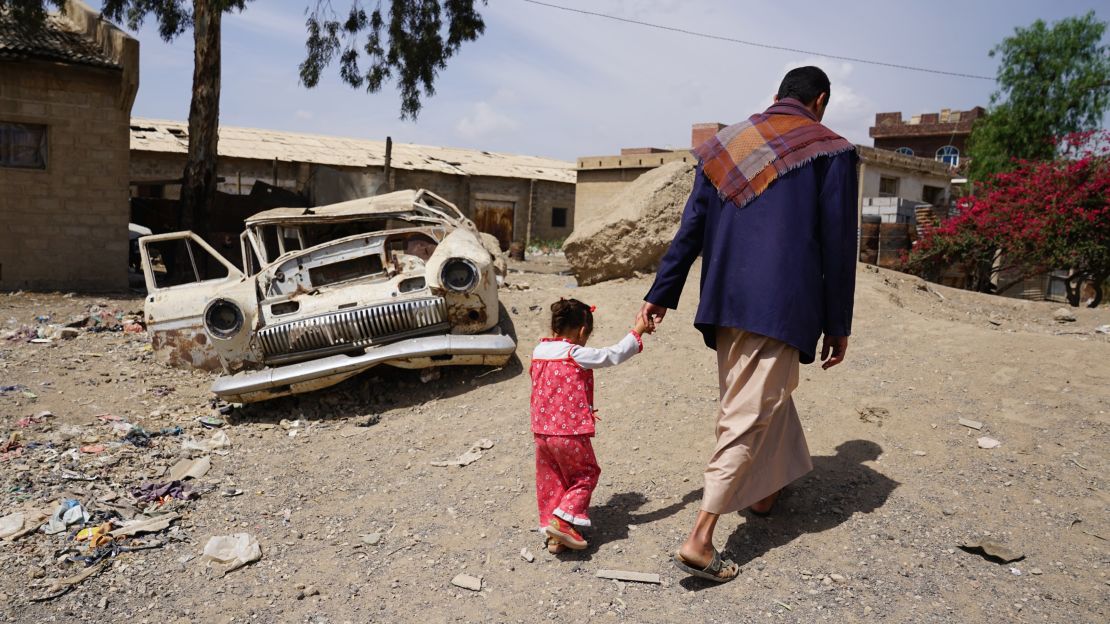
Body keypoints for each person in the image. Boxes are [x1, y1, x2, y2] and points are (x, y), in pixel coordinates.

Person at [638, 66, 859, 582]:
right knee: (746, 411)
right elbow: (838, 242)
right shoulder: (830, 149)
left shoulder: (727, 145)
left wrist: (660, 294)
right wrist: (838, 322)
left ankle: (763, 496)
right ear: (820, 101)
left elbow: (691, 227)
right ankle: (701, 536)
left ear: (778, 95)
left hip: (724, 301)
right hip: (781, 307)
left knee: (758, 397)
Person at [530, 298, 650, 553]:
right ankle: (563, 522)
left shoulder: (538, 352)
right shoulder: (575, 353)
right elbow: (613, 354)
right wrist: (637, 330)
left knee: (553, 479)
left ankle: (554, 535)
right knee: (585, 474)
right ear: (583, 331)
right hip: (569, 433)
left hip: (541, 433)